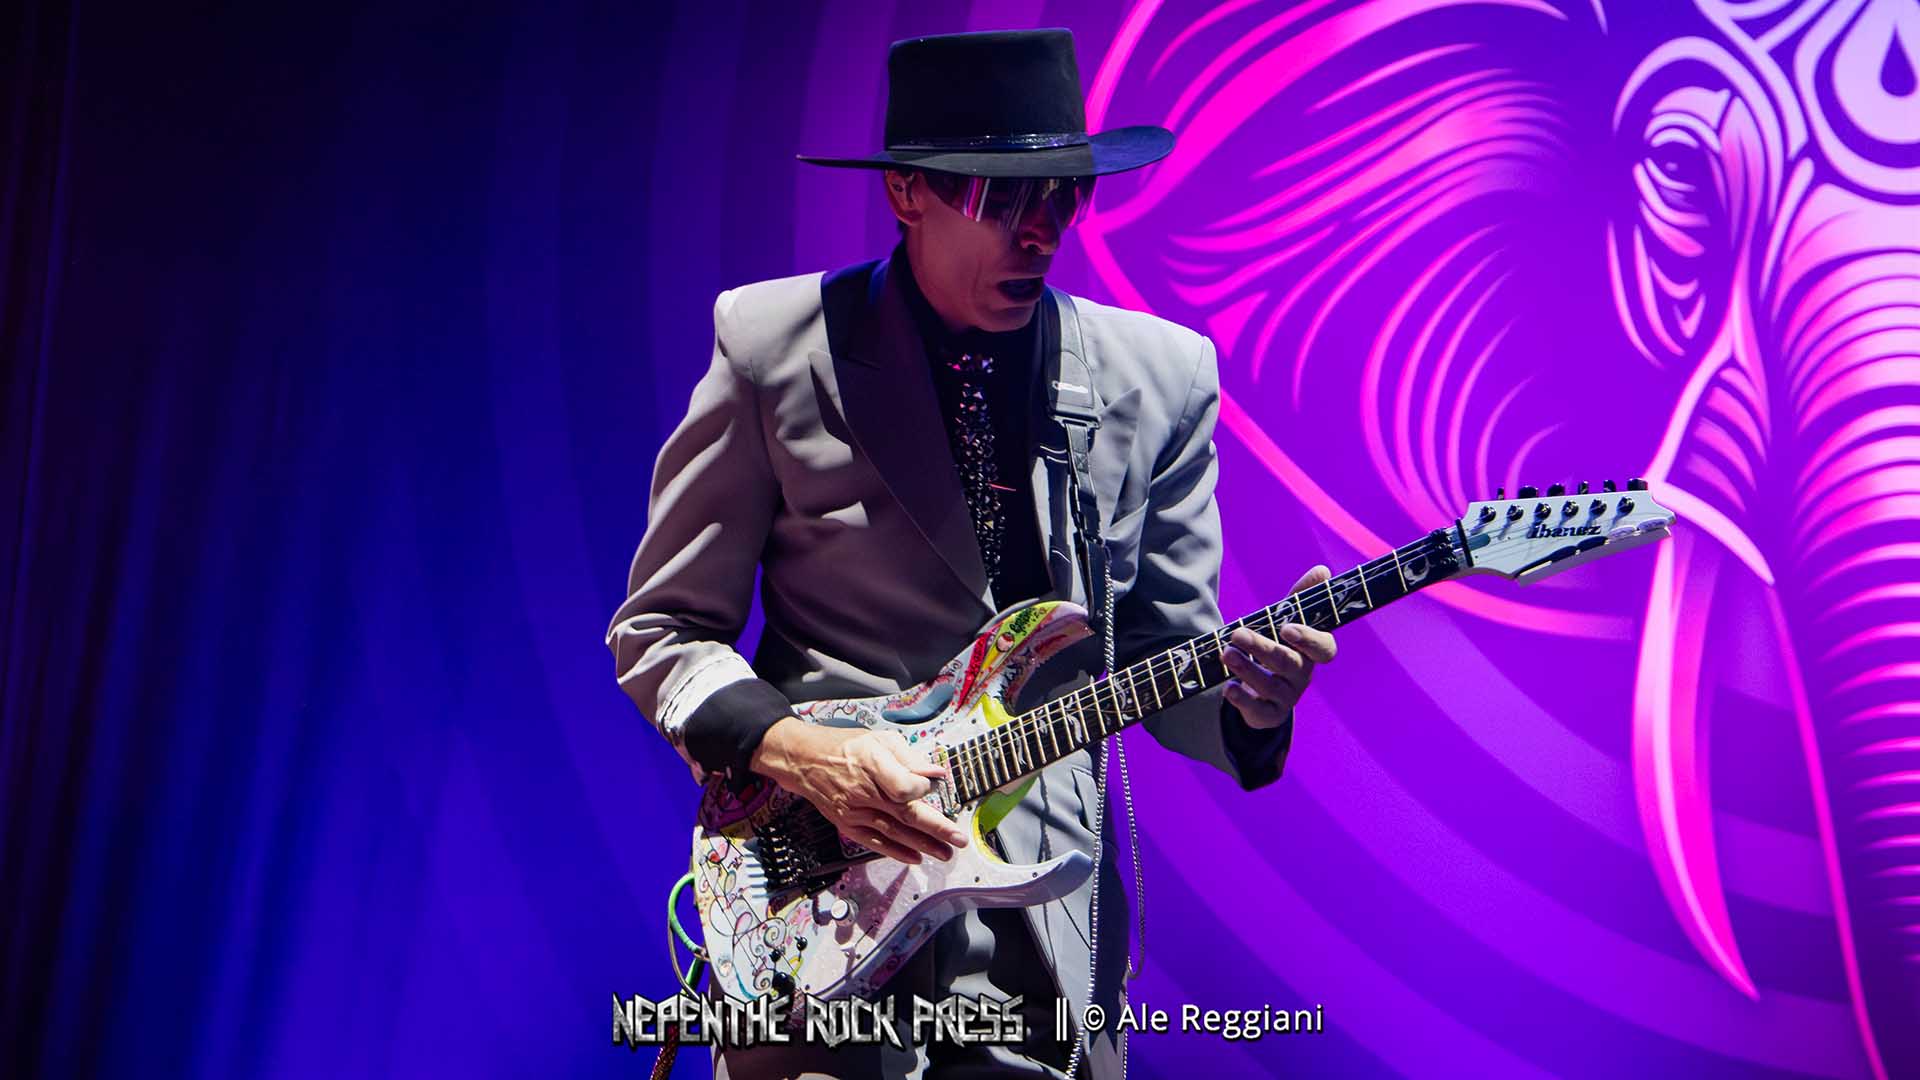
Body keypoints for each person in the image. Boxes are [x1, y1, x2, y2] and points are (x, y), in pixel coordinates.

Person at [607, 28, 1337, 1080]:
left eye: (1065, 198)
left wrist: (1250, 709)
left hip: (1042, 946)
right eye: (1004, 198)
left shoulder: (1161, 377)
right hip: (815, 908)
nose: (1041, 233)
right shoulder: (775, 346)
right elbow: (662, 631)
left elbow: (1160, 657)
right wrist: (801, 752)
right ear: (906, 191)